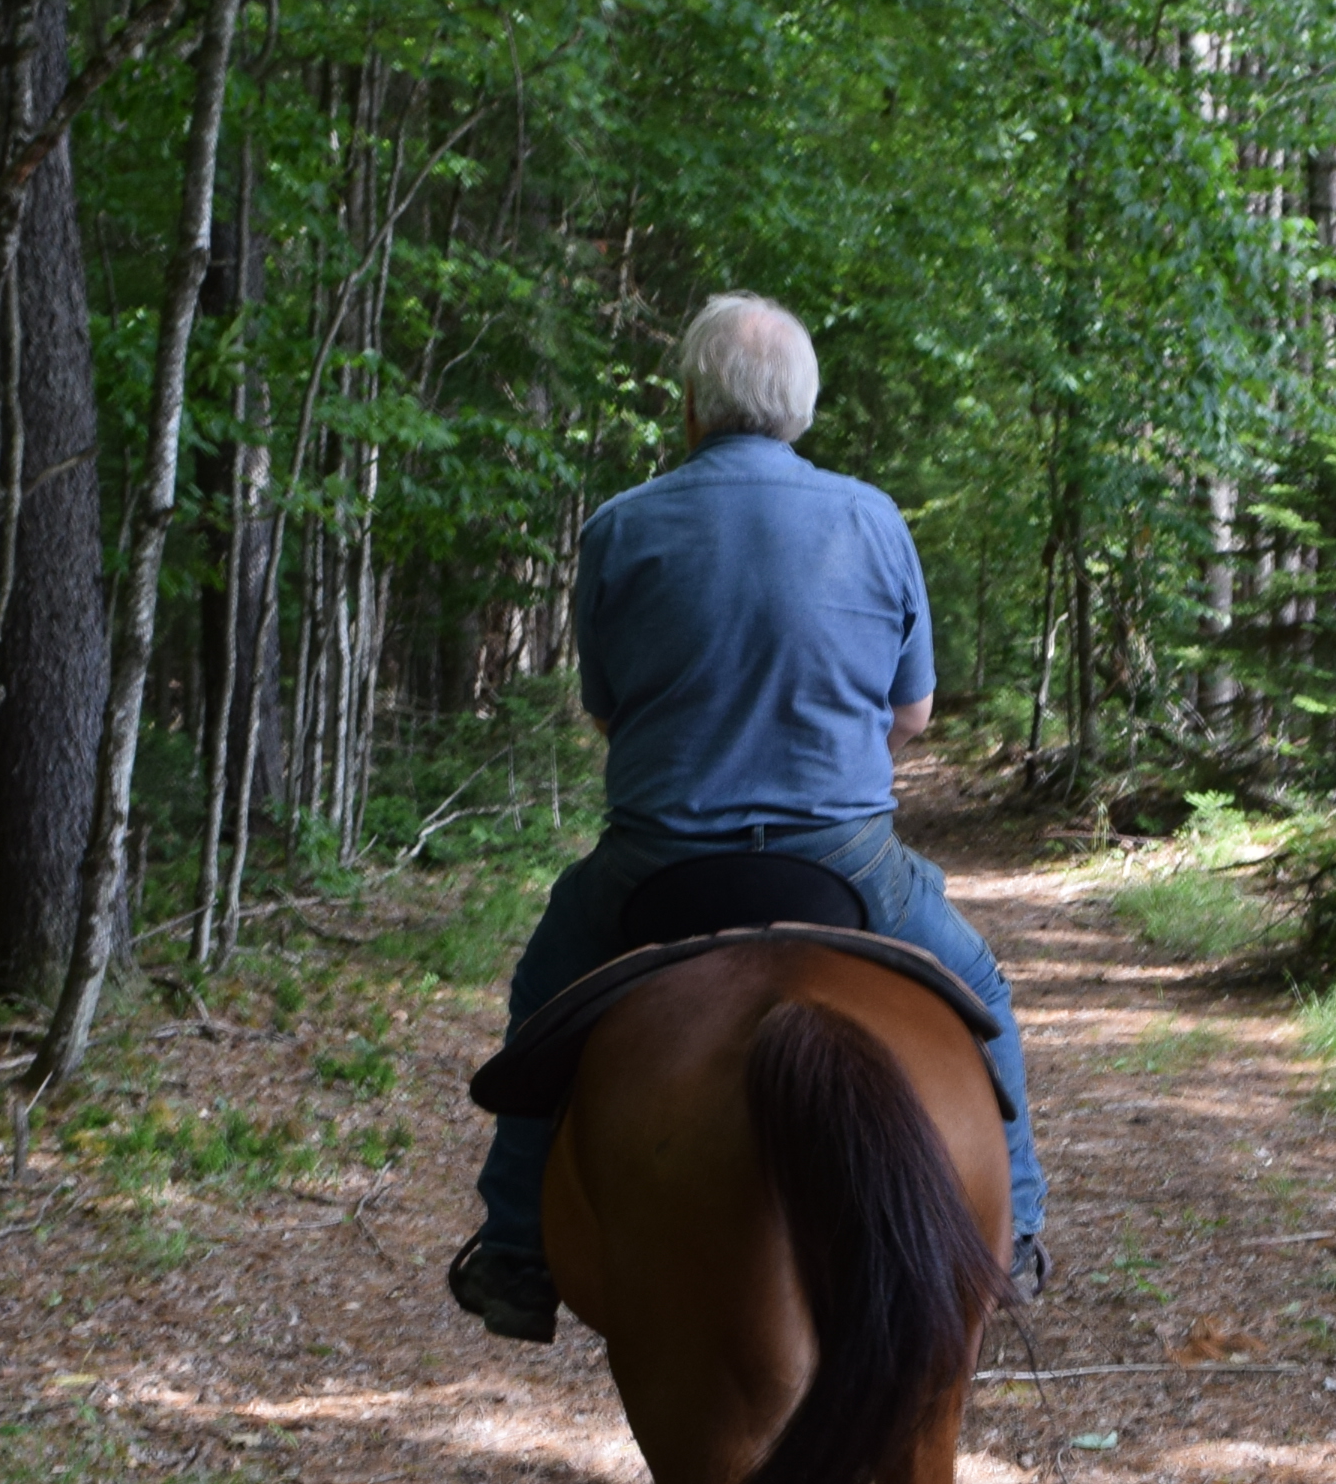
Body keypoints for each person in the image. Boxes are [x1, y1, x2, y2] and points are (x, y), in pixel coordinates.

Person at [448, 292, 1047, 1342]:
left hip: (659, 861)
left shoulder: (619, 526)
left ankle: (513, 1251)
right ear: (801, 406)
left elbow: (603, 707)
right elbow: (911, 713)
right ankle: (1022, 1229)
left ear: (689, 405)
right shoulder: (872, 519)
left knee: (547, 986)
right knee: (980, 985)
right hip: (843, 860)